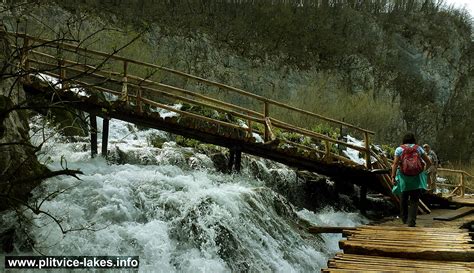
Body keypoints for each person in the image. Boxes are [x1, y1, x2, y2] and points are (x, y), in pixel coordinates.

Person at [391, 133, 431, 227]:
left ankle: (404, 219)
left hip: (404, 177)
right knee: (414, 200)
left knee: (403, 198)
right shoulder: (418, 148)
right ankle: (412, 221)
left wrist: (393, 176)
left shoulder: (399, 149)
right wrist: (423, 171)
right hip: (416, 177)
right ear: (414, 140)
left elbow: (395, 164)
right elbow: (428, 162)